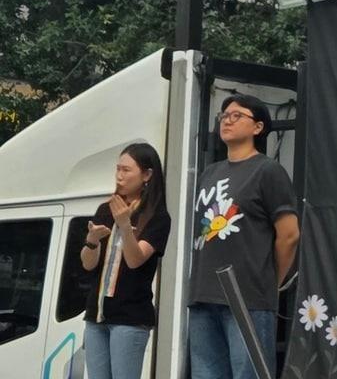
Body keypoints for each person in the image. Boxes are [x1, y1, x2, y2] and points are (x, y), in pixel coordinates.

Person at [188, 94, 300, 379]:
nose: (227, 120)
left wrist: (270, 281)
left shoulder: (268, 171)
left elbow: (289, 235)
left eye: (237, 115)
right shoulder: (210, 172)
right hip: (203, 293)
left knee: (248, 373)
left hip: (247, 295)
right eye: (223, 115)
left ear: (258, 127)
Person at [80, 143, 171, 379]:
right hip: (96, 314)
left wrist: (124, 226)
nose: (119, 177)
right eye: (118, 169)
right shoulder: (105, 209)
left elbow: (135, 260)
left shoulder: (157, 216)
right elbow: (88, 264)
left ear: (147, 175)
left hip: (130, 317)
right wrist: (91, 240)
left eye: (126, 170)